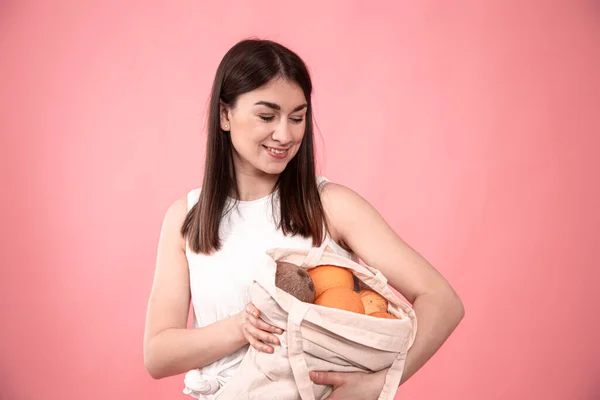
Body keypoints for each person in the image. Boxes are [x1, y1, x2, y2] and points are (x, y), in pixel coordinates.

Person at [143, 38, 465, 399]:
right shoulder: (187, 218)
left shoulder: (330, 205)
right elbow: (158, 354)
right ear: (225, 115)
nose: (286, 134)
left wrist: (380, 384)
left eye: (297, 117)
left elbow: (441, 300)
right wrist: (243, 326)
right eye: (267, 116)